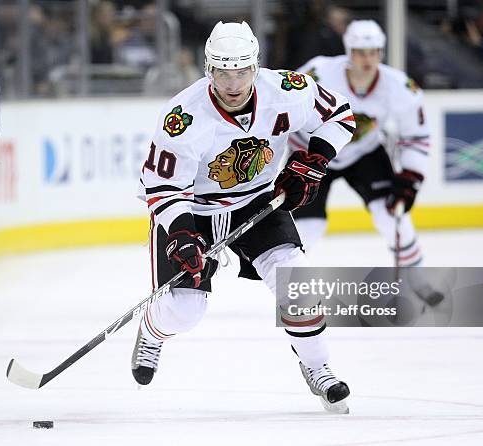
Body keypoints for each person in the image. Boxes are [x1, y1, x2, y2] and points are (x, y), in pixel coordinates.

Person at [133, 21, 356, 413]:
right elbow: (162, 187)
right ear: (208, 70)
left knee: (298, 285)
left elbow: (340, 115)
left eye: (241, 71)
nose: (233, 83)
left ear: (256, 66)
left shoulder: (287, 90)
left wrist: (315, 159)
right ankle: (153, 330)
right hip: (194, 211)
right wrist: (182, 235)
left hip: (257, 201)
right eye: (223, 72)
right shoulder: (183, 116)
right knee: (185, 311)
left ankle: (319, 368)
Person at [290, 20, 443, 305]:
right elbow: (282, 108)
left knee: (390, 215)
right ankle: (290, 286)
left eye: (374, 52)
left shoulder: (399, 86)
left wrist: (411, 177)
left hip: (365, 154)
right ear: (349, 51)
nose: (367, 59)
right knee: (309, 228)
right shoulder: (319, 72)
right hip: (315, 153)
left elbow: (417, 135)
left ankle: (418, 277)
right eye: (361, 52)